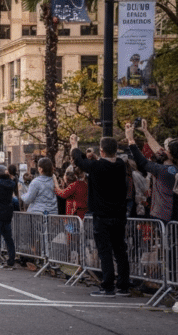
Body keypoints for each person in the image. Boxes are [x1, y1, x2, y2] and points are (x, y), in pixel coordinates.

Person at [70, 133, 130, 297]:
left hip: (102, 215)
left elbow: (78, 160)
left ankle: (108, 285)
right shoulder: (120, 165)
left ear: (102, 151)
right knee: (120, 250)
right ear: (115, 151)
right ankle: (124, 285)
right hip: (119, 214)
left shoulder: (96, 167)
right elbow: (104, 163)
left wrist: (75, 144)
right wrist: (96, 158)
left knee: (104, 251)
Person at [127, 121, 177, 222]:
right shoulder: (171, 167)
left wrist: (130, 140)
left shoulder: (165, 171)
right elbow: (159, 150)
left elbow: (143, 162)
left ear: (171, 154)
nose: (165, 151)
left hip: (164, 215)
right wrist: (146, 132)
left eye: (168, 150)